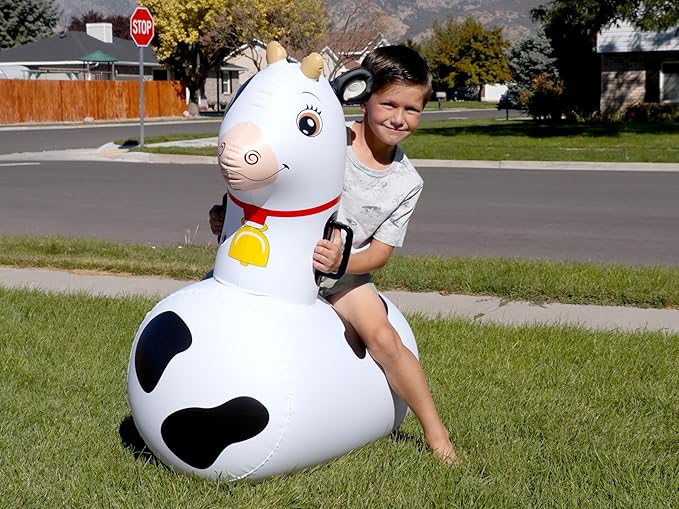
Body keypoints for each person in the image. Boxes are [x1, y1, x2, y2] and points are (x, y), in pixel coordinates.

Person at [209, 45, 459, 466]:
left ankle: (436, 434)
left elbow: (379, 254)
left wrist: (341, 264)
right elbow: (274, 179)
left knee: (384, 338)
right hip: (280, 259)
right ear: (364, 98)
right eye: (389, 104)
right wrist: (227, 215)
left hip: (344, 276)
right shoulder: (328, 136)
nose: (399, 118)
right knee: (222, 308)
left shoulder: (407, 182)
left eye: (412, 109)